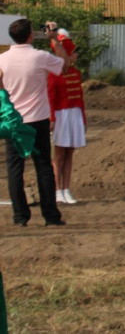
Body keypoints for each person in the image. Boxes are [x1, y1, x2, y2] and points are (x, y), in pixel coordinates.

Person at [0, 19, 68, 226]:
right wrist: (54, 38)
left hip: (14, 121)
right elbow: (65, 64)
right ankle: (50, 215)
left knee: (15, 169)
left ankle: (20, 216)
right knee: (43, 166)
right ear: (30, 35)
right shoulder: (40, 57)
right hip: (37, 119)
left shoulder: (3, 59)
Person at [47, 30, 86, 205]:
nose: (76, 55)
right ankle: (57, 190)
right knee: (59, 155)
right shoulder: (54, 74)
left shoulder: (76, 73)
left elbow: (80, 98)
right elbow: (50, 98)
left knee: (70, 153)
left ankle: (66, 189)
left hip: (74, 114)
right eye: (74, 52)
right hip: (61, 115)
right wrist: (51, 118)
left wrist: (83, 119)